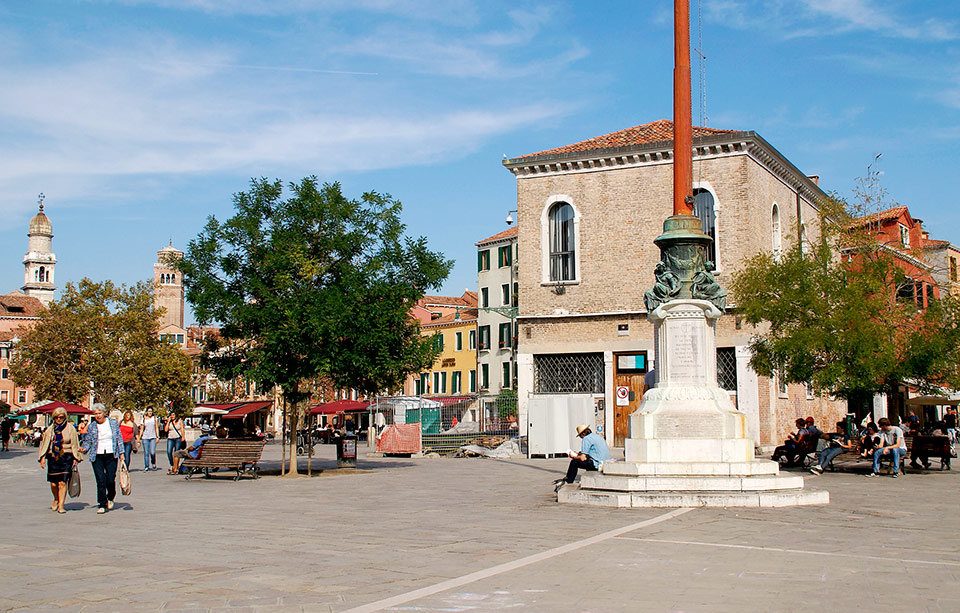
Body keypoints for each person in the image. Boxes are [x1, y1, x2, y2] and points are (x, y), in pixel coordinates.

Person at [37, 407, 82, 514]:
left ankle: (61, 505)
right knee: (53, 483)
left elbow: (75, 444)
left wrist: (76, 457)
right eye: (57, 417)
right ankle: (56, 499)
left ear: (64, 417)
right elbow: (45, 444)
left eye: (61, 417)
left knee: (62, 482)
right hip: (53, 457)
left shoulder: (70, 428)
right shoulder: (50, 429)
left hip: (67, 456)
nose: (59, 419)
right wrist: (42, 458)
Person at [81, 403, 124, 514]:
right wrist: (84, 449)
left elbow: (118, 437)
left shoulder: (113, 423)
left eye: (99, 413)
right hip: (97, 454)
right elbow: (89, 440)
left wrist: (122, 453)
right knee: (100, 480)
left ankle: (110, 497)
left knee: (110, 479)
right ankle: (102, 504)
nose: (98, 416)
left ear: (104, 413)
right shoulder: (92, 426)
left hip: (111, 453)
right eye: (95, 414)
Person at [553, 424, 611, 492]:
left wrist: (574, 456)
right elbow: (591, 452)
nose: (580, 437)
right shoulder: (597, 437)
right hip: (605, 463)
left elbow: (582, 458)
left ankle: (569, 481)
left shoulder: (586, 439)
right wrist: (579, 453)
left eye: (580, 436)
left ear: (583, 434)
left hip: (597, 464)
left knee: (574, 462)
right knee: (587, 461)